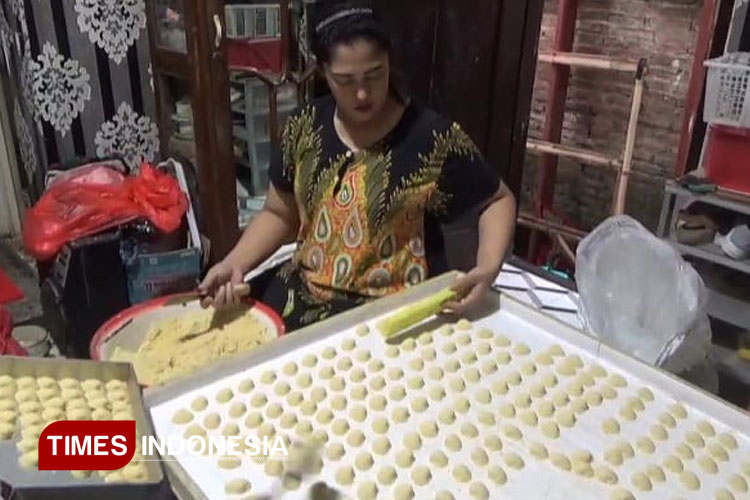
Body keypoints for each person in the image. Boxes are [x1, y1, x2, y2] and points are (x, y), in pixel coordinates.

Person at [199, 2, 516, 331]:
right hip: (304, 292)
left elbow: (496, 199)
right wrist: (234, 263)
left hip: (390, 308)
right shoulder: (304, 127)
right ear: (323, 71)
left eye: (374, 74)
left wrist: (489, 265)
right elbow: (280, 214)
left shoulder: (430, 137)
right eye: (345, 80)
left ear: (389, 61)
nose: (363, 93)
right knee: (223, 336)